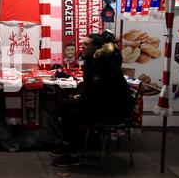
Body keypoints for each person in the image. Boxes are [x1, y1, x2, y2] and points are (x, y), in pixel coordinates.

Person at [51, 33, 132, 167]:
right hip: (102, 103)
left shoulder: (104, 64)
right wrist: (81, 96)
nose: (82, 46)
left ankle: (74, 155)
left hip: (112, 110)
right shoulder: (94, 61)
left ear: (97, 47)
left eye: (86, 44)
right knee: (65, 105)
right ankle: (67, 145)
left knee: (73, 115)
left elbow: (100, 93)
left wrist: (82, 98)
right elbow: (93, 89)